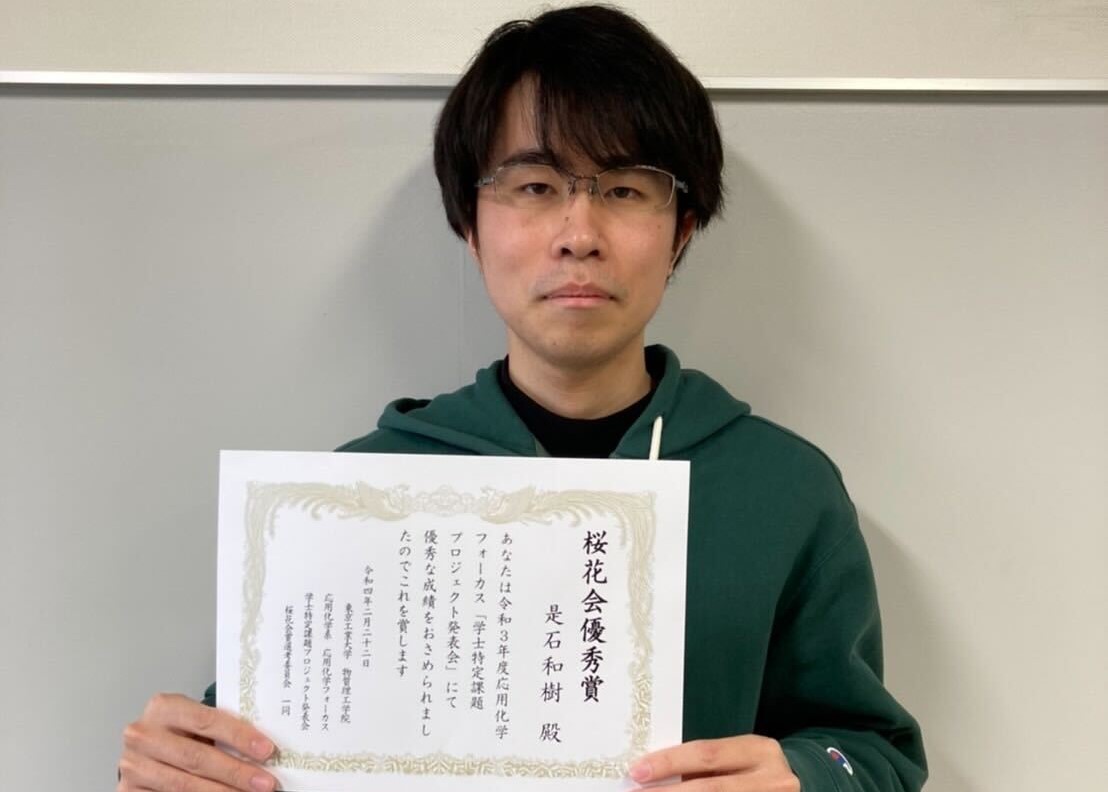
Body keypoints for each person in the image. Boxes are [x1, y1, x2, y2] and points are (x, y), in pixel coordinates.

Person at [118, 5, 927, 792]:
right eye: (535, 185)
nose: (579, 234)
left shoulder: (784, 490)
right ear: (471, 226)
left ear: (681, 230)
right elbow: (247, 755)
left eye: (625, 189)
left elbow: (876, 753)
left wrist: (809, 777)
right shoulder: (352, 499)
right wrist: (175, 767)